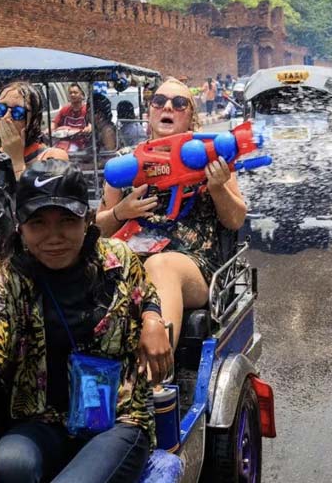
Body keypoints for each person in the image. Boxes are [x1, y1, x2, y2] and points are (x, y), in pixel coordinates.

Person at [0, 160, 170, 483]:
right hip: (42, 420)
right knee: (8, 464)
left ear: (87, 220)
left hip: (117, 420)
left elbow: (146, 293)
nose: (53, 237)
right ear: (20, 226)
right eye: (38, 223)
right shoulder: (8, 278)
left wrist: (152, 320)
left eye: (67, 221)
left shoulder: (117, 260)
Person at [97, 78, 248, 349]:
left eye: (179, 103)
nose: (167, 107)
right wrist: (120, 212)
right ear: (149, 111)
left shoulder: (211, 157)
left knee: (160, 265)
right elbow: (96, 229)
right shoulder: (126, 162)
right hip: (129, 259)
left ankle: (156, 370)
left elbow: (236, 220)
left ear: (191, 117)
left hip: (190, 265)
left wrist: (217, 188)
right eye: (159, 101)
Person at [0, 80, 69, 180]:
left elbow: (37, 191)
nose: (6, 117)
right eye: (0, 109)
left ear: (34, 120)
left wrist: (17, 160)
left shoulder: (52, 158)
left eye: (18, 112)